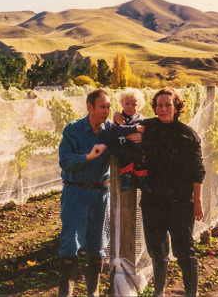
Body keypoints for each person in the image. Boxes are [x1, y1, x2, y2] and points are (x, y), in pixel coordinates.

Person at [140, 87, 205, 297]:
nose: (163, 108)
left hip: (180, 204)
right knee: (157, 253)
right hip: (152, 203)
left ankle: (191, 294)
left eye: (168, 104)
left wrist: (197, 203)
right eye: (159, 105)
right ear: (155, 107)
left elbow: (198, 171)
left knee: (184, 252)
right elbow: (123, 124)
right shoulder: (147, 127)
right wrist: (116, 116)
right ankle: (159, 292)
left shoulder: (187, 135)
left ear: (177, 107)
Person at [58, 88, 112, 297]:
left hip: (100, 195)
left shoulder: (110, 130)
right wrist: (88, 157)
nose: (106, 111)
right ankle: (66, 293)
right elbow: (64, 161)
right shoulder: (73, 130)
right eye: (102, 107)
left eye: (108, 107)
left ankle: (94, 292)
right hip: (76, 192)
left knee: (97, 245)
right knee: (70, 243)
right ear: (90, 107)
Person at [111, 88, 150, 191]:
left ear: (139, 106)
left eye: (134, 105)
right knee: (124, 158)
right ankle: (126, 179)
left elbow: (146, 131)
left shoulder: (142, 119)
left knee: (141, 159)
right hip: (122, 146)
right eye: (127, 104)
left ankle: (142, 180)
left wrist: (143, 136)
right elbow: (117, 130)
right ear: (121, 103)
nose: (130, 107)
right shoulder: (119, 117)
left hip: (136, 147)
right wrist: (134, 128)